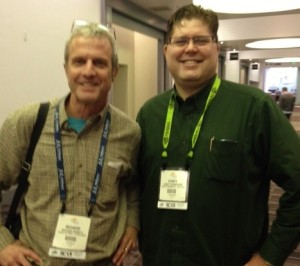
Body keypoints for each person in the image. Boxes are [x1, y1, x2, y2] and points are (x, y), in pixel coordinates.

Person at [136, 4, 300, 266]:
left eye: (201, 40)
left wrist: (269, 257)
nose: (190, 48)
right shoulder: (149, 114)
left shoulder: (254, 107)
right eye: (180, 41)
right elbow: (135, 189)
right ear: (166, 50)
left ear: (217, 48)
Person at [0, 21, 141, 266]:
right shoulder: (28, 123)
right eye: (79, 62)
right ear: (66, 69)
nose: (88, 71)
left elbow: (131, 187)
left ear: (114, 72)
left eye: (99, 63)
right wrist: (2, 244)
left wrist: (132, 223)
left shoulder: (129, 132)